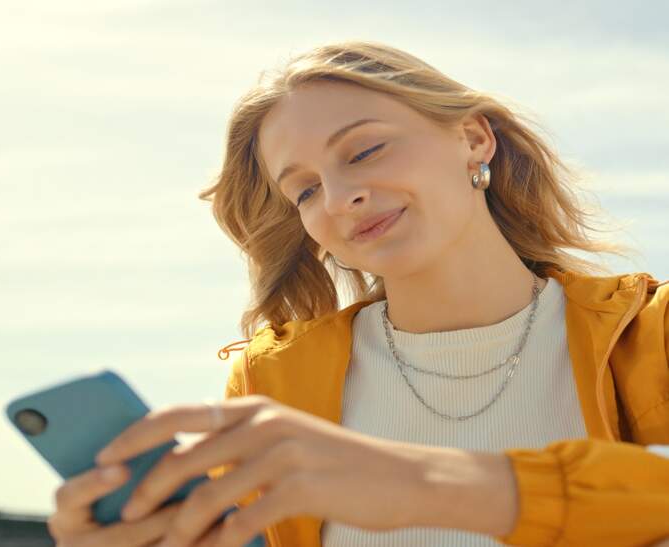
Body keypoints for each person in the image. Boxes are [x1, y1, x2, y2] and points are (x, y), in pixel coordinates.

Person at [47, 41, 669, 547]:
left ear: (474, 139)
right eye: (306, 191)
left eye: (366, 150)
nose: (341, 197)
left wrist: (424, 483)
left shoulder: (653, 332)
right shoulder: (273, 380)